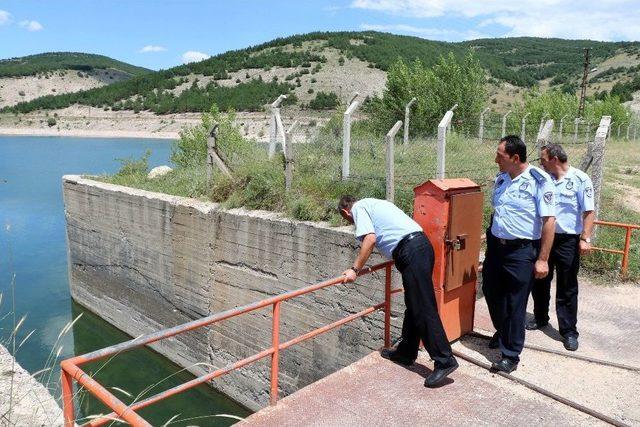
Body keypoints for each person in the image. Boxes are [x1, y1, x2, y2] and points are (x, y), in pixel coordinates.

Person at [338, 195, 459, 387]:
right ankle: (406, 352)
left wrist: (354, 270)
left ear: (346, 213)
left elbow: (370, 238)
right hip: (419, 247)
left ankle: (445, 361)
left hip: (410, 250)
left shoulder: (359, 209)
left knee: (423, 307)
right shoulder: (374, 203)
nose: (354, 224)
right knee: (414, 305)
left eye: (349, 221)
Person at [482, 135, 556, 373]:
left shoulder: (539, 180)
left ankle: (511, 354)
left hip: (521, 251)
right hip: (496, 246)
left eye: (500, 156)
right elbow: (499, 212)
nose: (495, 160)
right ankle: (504, 332)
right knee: (491, 292)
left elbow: (548, 221)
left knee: (516, 302)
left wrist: (543, 259)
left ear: (515, 158)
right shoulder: (502, 178)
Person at [527, 143, 594, 351]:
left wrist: (585, 238)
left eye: (543, 159)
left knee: (567, 286)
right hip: (544, 238)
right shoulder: (543, 179)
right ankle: (540, 317)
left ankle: (568, 331)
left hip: (567, 241)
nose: (541, 163)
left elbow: (589, 211)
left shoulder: (580, 179)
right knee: (539, 280)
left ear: (554, 159)